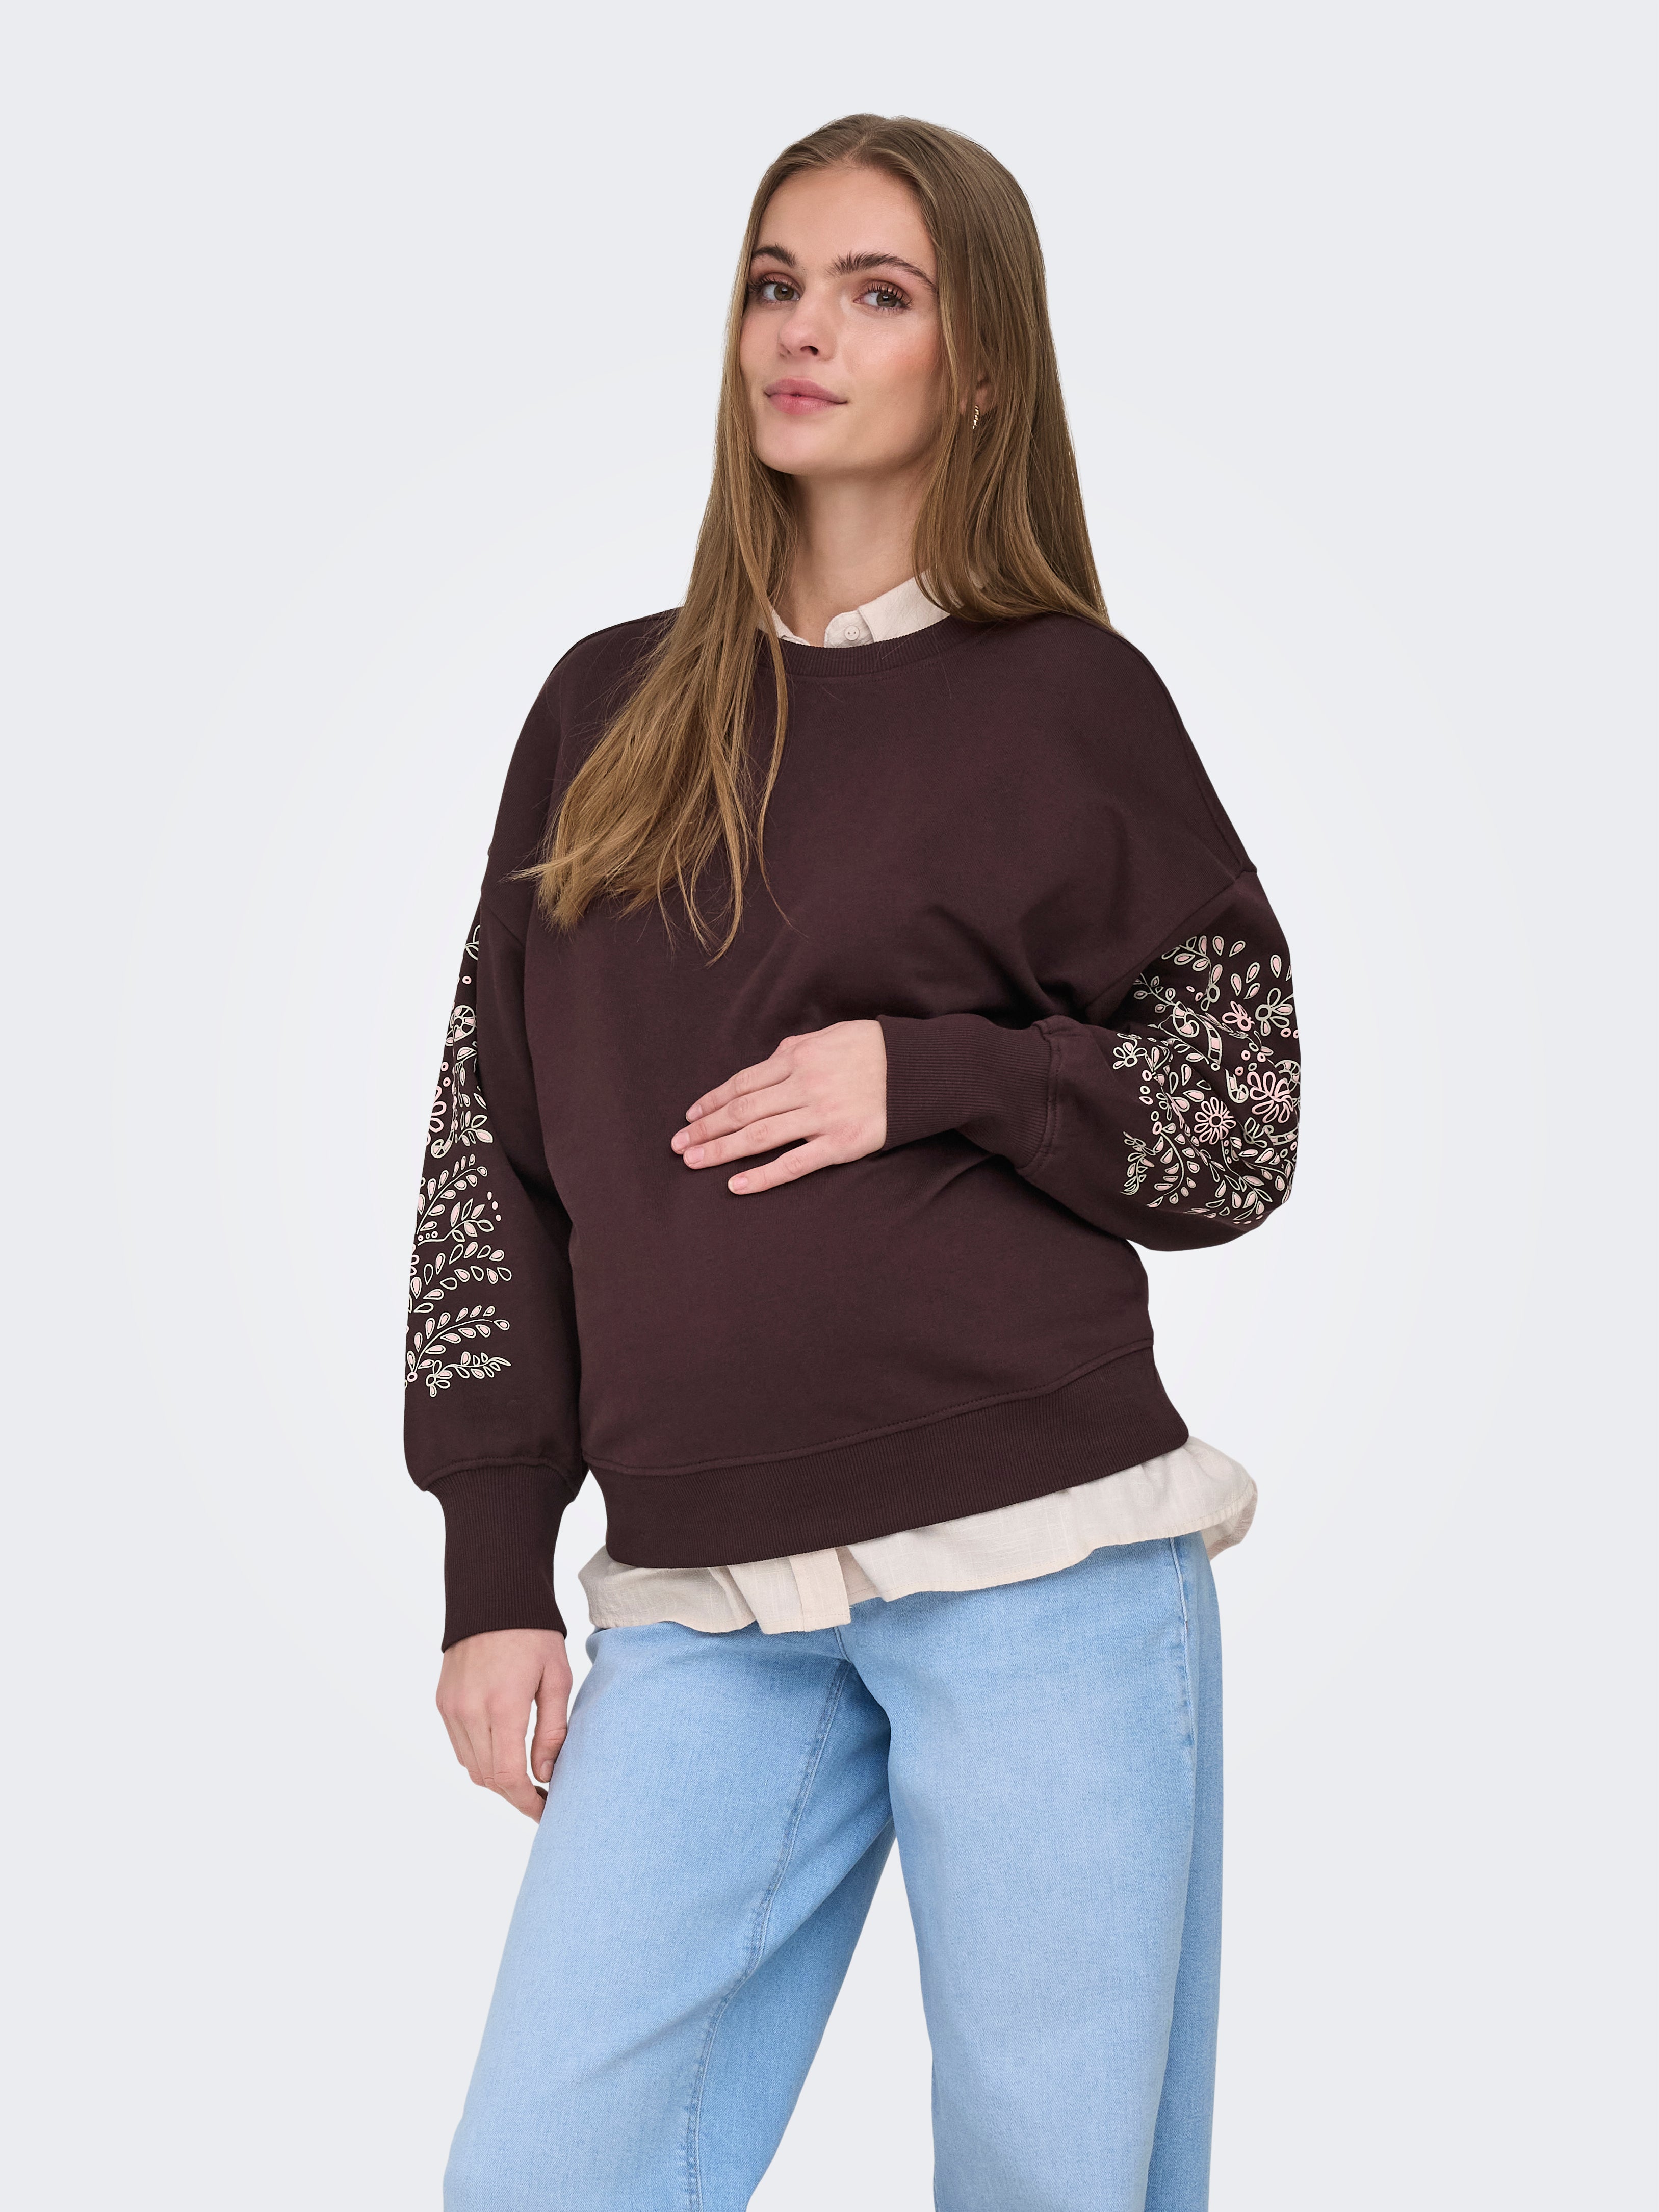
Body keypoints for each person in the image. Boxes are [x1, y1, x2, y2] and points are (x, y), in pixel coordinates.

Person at [406, 112, 1299, 2212]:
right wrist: (489, 1569)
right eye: (774, 283)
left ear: (975, 365)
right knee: (544, 2175)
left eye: (877, 293)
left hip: (1043, 1566)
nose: (804, 332)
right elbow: (488, 1146)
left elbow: (1240, 1124)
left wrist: (941, 1074)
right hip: (700, 1598)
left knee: (1055, 2185)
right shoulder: (605, 707)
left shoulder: (1068, 700)